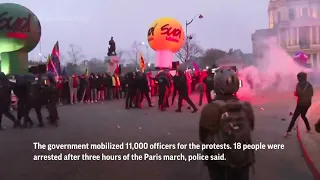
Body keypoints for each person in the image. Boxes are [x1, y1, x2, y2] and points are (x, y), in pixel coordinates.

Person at [199, 67, 255, 180]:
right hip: (243, 159)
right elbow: (251, 127)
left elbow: (203, 137)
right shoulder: (246, 106)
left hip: (219, 162)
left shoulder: (210, 108)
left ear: (216, 84)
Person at [285, 72, 313, 137]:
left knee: (294, 117)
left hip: (301, 104)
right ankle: (309, 129)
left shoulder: (299, 84)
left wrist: (295, 93)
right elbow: (312, 94)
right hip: (308, 103)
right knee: (303, 116)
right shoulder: (309, 84)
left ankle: (288, 131)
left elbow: (298, 93)